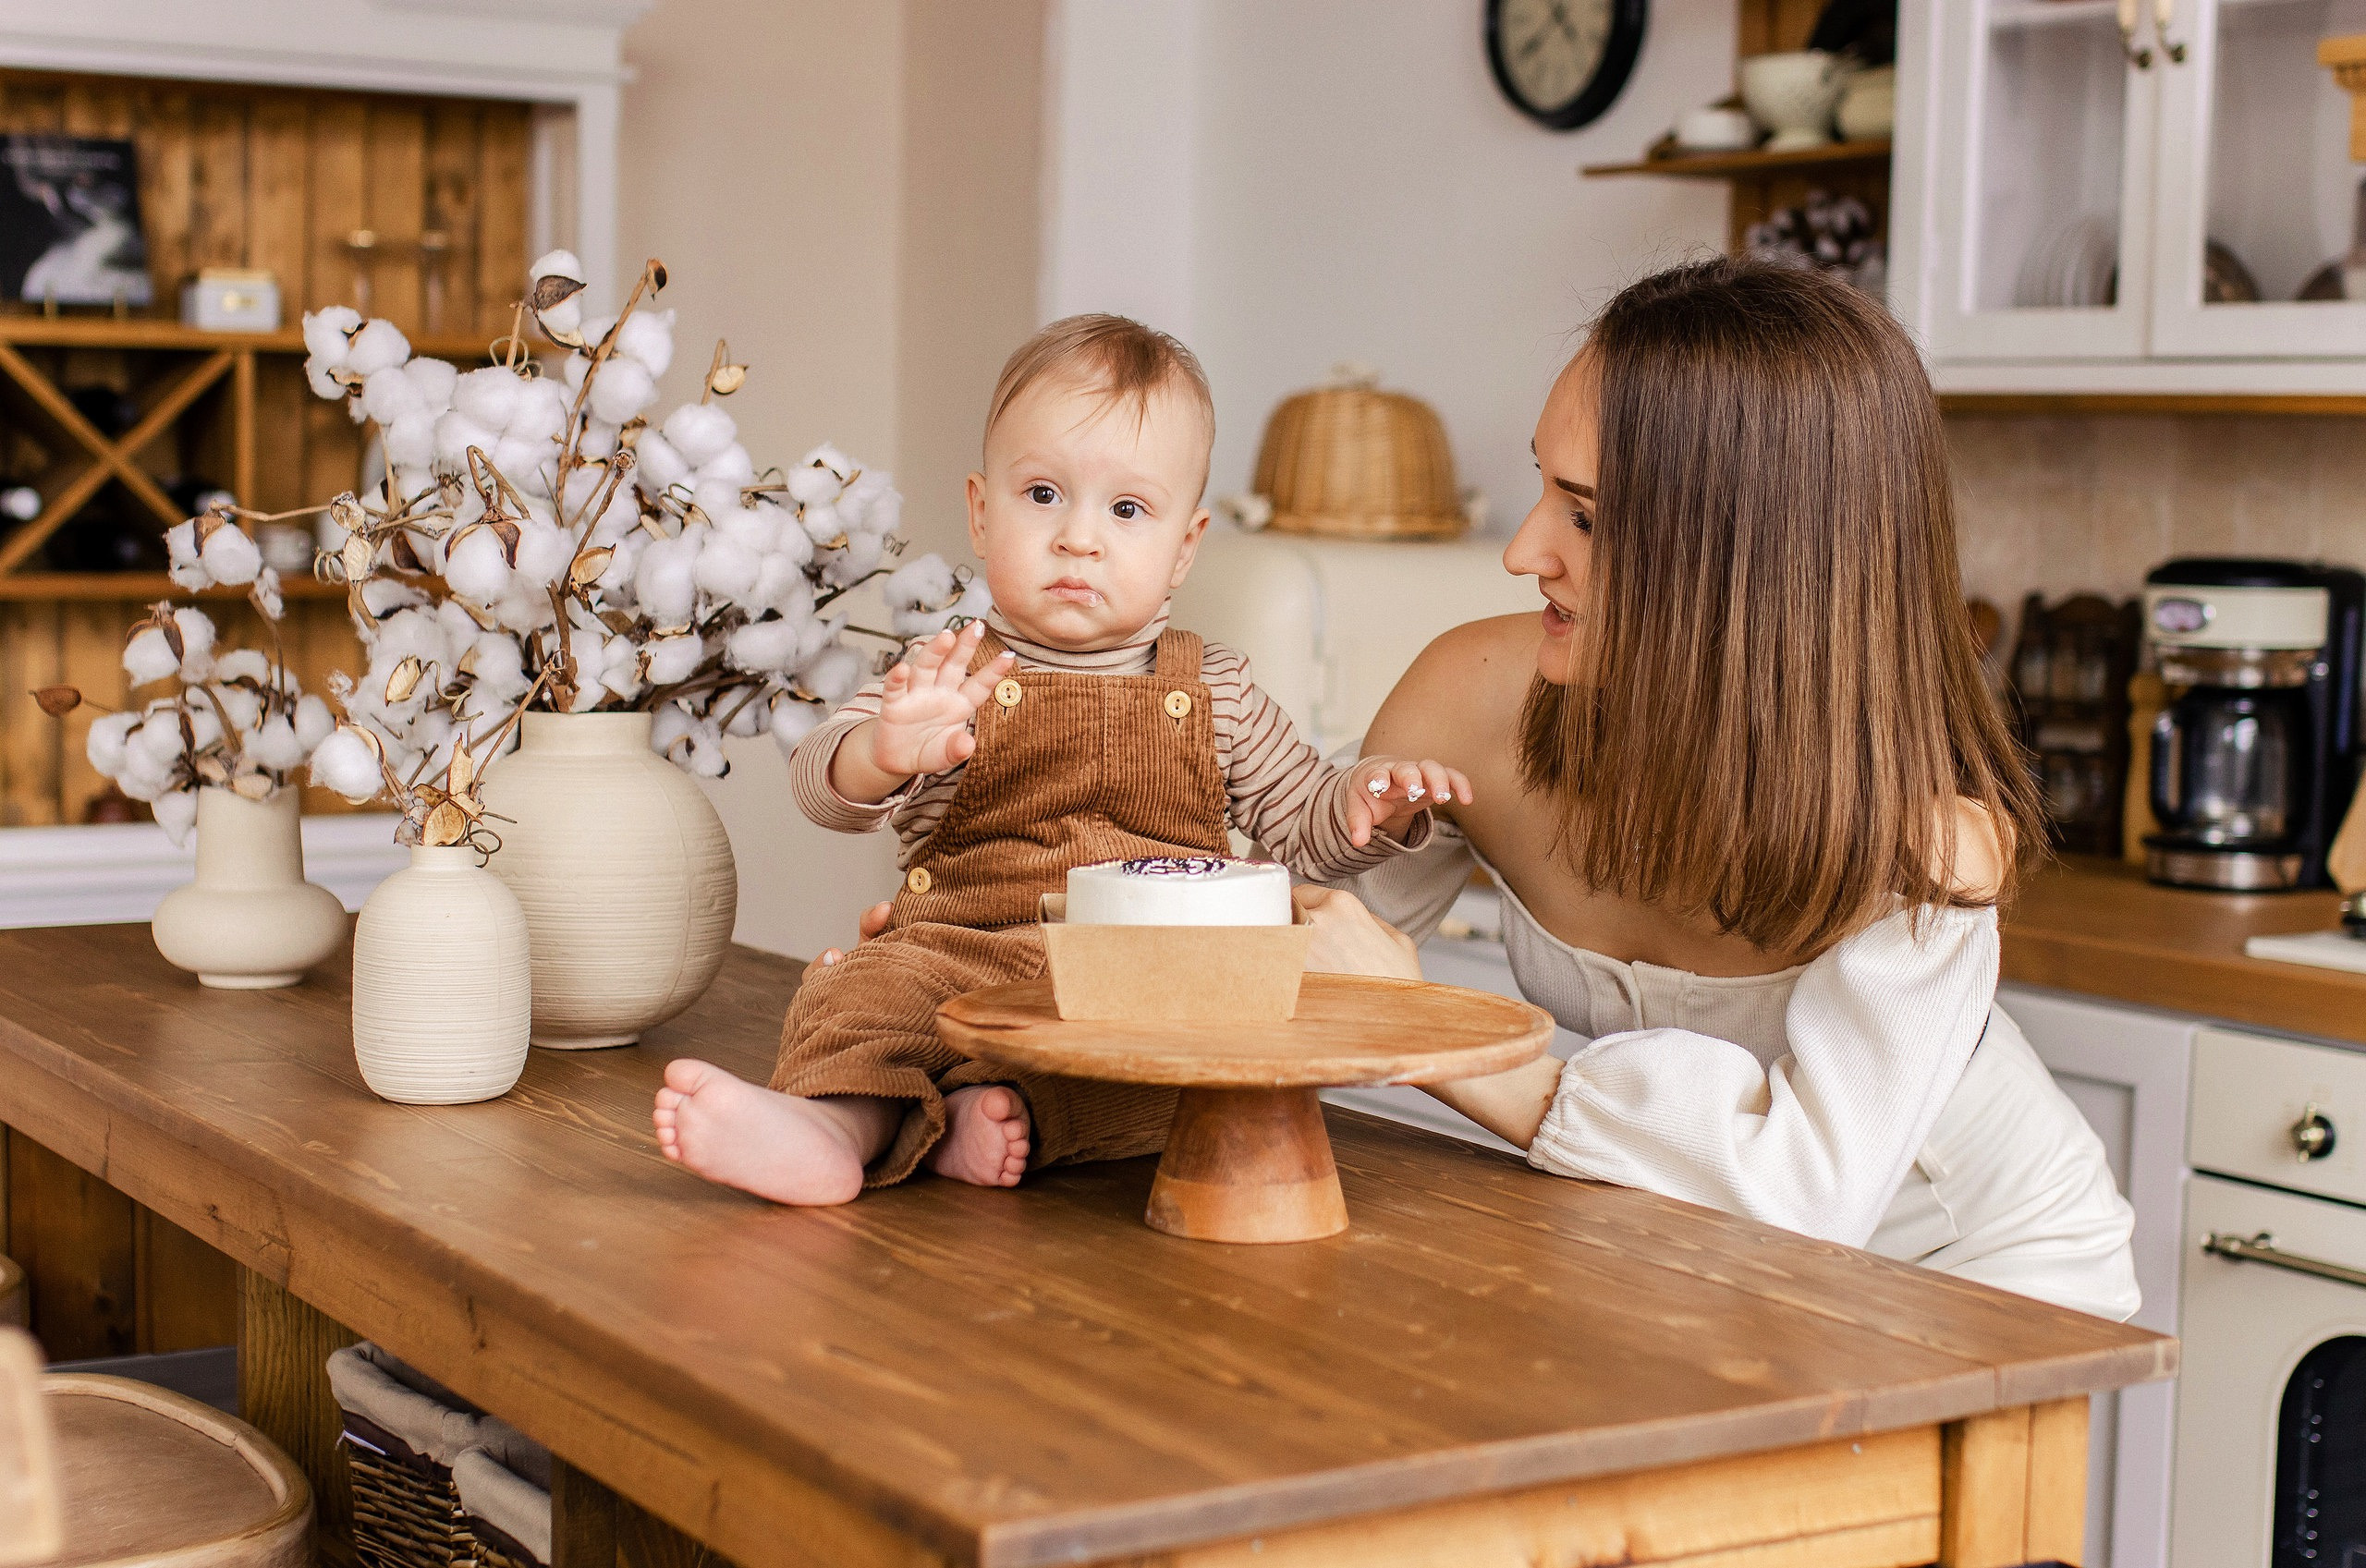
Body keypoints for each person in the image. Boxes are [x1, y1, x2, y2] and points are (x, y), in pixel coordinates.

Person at [1294, 257, 2140, 1321]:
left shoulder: (1926, 842)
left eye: (1587, 518)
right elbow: (1298, 969)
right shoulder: (1470, 699)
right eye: (1543, 488)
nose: (1522, 551)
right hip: (1677, 1234)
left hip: (1963, 1275)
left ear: (1746, 557)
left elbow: (1805, 1194)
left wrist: (1435, 1032)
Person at [652, 314, 1468, 1206]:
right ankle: (829, 1128)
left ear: (1183, 547)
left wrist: (1367, 804)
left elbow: (1305, 830)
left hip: (1140, 981)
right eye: (1043, 495)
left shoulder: (1219, 689)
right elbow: (824, 787)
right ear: (980, 509)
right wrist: (883, 752)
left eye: (1126, 510)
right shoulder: (945, 674)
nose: (1080, 538)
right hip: (959, 951)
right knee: (868, 998)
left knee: (1170, 1075)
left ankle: (988, 1121)